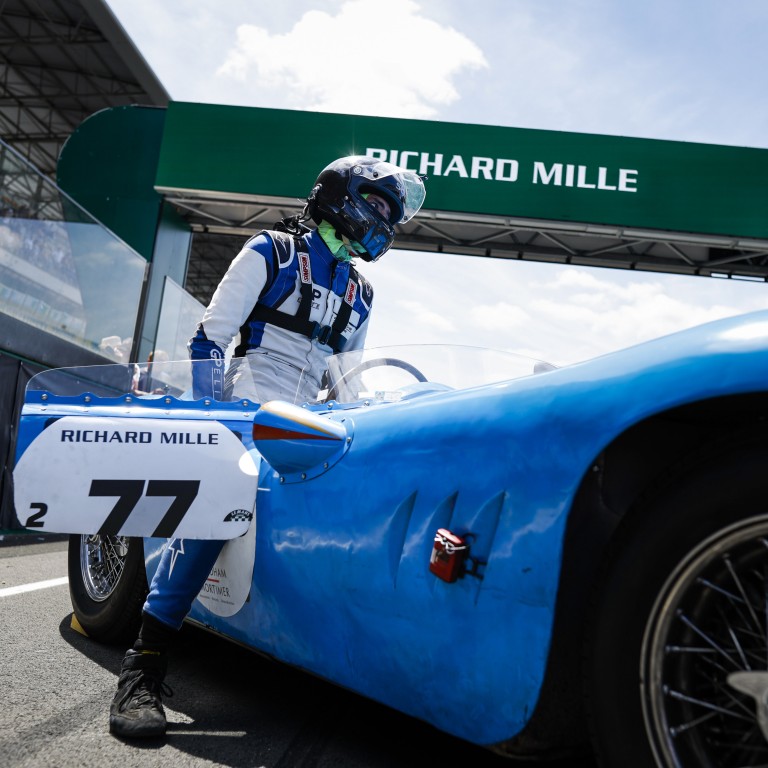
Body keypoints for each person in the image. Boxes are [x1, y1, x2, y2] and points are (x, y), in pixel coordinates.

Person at [108, 155, 426, 739]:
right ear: (340, 195)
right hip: (246, 405)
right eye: (376, 205)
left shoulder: (362, 290)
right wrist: (217, 423)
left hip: (314, 416)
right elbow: (209, 340)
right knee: (229, 488)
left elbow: (349, 378)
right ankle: (144, 664)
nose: (383, 220)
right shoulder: (270, 251)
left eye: (390, 214)